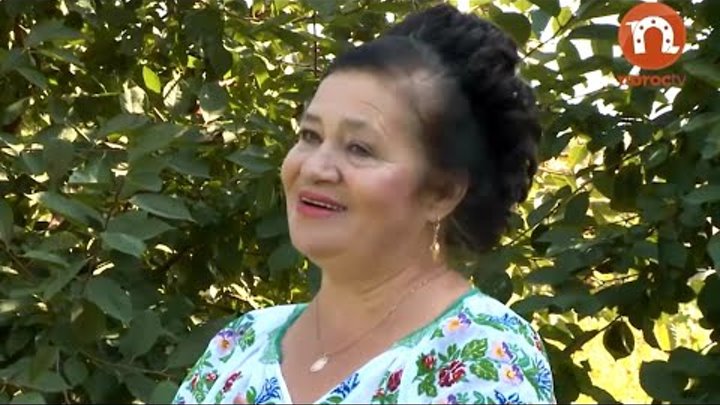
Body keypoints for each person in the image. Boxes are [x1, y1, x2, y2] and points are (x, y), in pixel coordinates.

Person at [172, 4, 555, 404]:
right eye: (310, 135)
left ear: (441, 192)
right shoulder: (241, 344)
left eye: (360, 148)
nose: (315, 167)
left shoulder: (481, 357)